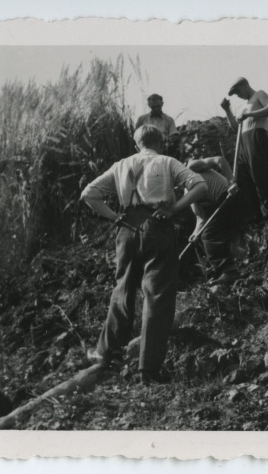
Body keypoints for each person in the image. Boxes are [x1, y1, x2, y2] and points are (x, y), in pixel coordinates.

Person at [80, 125, 208, 385]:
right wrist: (175, 209)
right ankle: (147, 369)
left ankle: (108, 354)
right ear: (160, 142)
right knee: (158, 293)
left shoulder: (121, 164)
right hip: (158, 226)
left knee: (123, 288)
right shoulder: (167, 161)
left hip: (126, 229)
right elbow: (200, 186)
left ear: (137, 143)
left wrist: (115, 216)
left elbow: (89, 194)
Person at [220, 77, 268, 223]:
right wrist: (227, 110)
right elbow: (236, 129)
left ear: (245, 85)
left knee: (260, 174)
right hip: (244, 142)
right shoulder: (244, 107)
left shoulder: (259, 94)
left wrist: (250, 114)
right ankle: (257, 217)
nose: (238, 96)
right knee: (244, 178)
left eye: (238, 91)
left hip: (256, 136)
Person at [186, 155, 244, 284]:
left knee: (209, 236)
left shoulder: (191, 167)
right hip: (222, 204)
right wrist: (195, 234)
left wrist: (231, 181)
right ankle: (222, 272)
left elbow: (220, 160)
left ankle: (229, 271)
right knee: (204, 237)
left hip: (229, 196)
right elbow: (201, 218)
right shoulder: (187, 192)